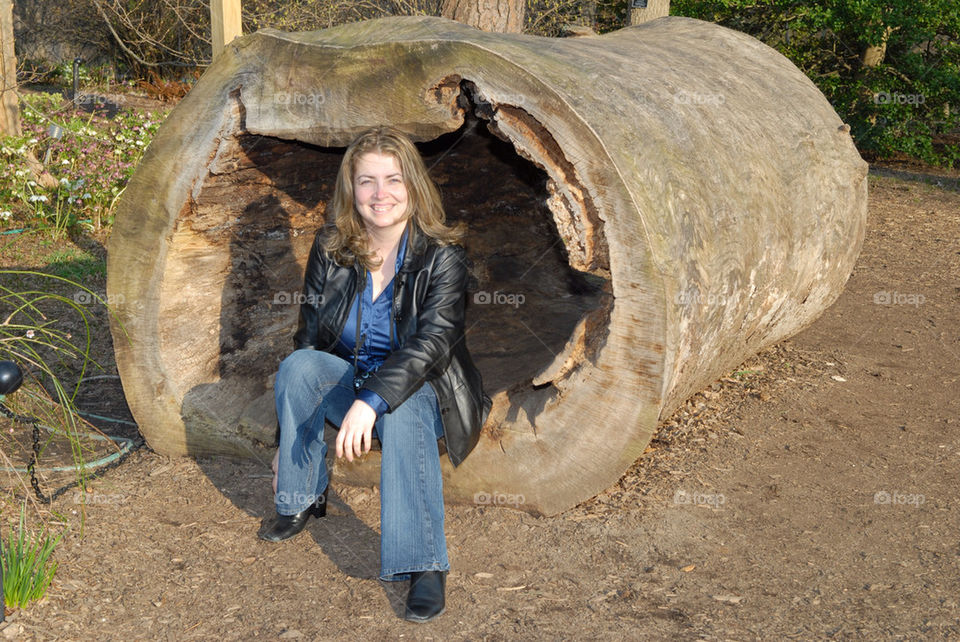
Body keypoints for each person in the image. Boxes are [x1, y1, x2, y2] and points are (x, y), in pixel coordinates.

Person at [260, 126, 490, 623]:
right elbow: (309, 337)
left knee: (403, 408)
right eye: (367, 181)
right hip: (352, 383)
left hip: (425, 392)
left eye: (393, 180)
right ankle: (301, 494)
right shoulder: (331, 248)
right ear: (351, 189)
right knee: (299, 365)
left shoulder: (443, 258)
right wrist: (285, 439)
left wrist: (370, 403)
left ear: (414, 187)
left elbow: (431, 345)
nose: (380, 194)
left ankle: (423, 562)